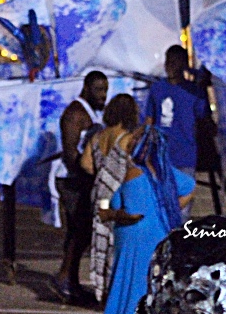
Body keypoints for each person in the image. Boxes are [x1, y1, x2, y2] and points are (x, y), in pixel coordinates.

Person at [100, 126, 196, 314]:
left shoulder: (133, 172)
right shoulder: (165, 174)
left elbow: (130, 212)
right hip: (158, 234)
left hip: (134, 238)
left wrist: (109, 213)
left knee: (129, 287)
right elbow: (190, 187)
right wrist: (169, 208)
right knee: (149, 286)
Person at [52, 70, 109, 302]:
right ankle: (64, 277)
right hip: (72, 179)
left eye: (105, 90)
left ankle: (71, 280)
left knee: (82, 231)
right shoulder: (76, 113)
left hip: (82, 179)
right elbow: (69, 151)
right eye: (98, 90)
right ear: (86, 88)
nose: (103, 96)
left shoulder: (90, 113)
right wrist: (88, 174)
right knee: (80, 229)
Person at [79, 93, 141, 303]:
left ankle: (101, 289)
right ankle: (115, 289)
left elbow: (86, 164)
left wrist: (103, 172)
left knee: (100, 240)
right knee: (116, 241)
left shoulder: (97, 137)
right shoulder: (126, 139)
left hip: (99, 194)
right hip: (117, 194)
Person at [145, 45, 210, 181]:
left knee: (183, 198)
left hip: (185, 157)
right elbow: (149, 120)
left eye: (175, 62)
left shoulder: (194, 92)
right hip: (161, 156)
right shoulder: (157, 89)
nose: (170, 66)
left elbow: (204, 121)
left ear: (184, 64)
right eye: (168, 62)